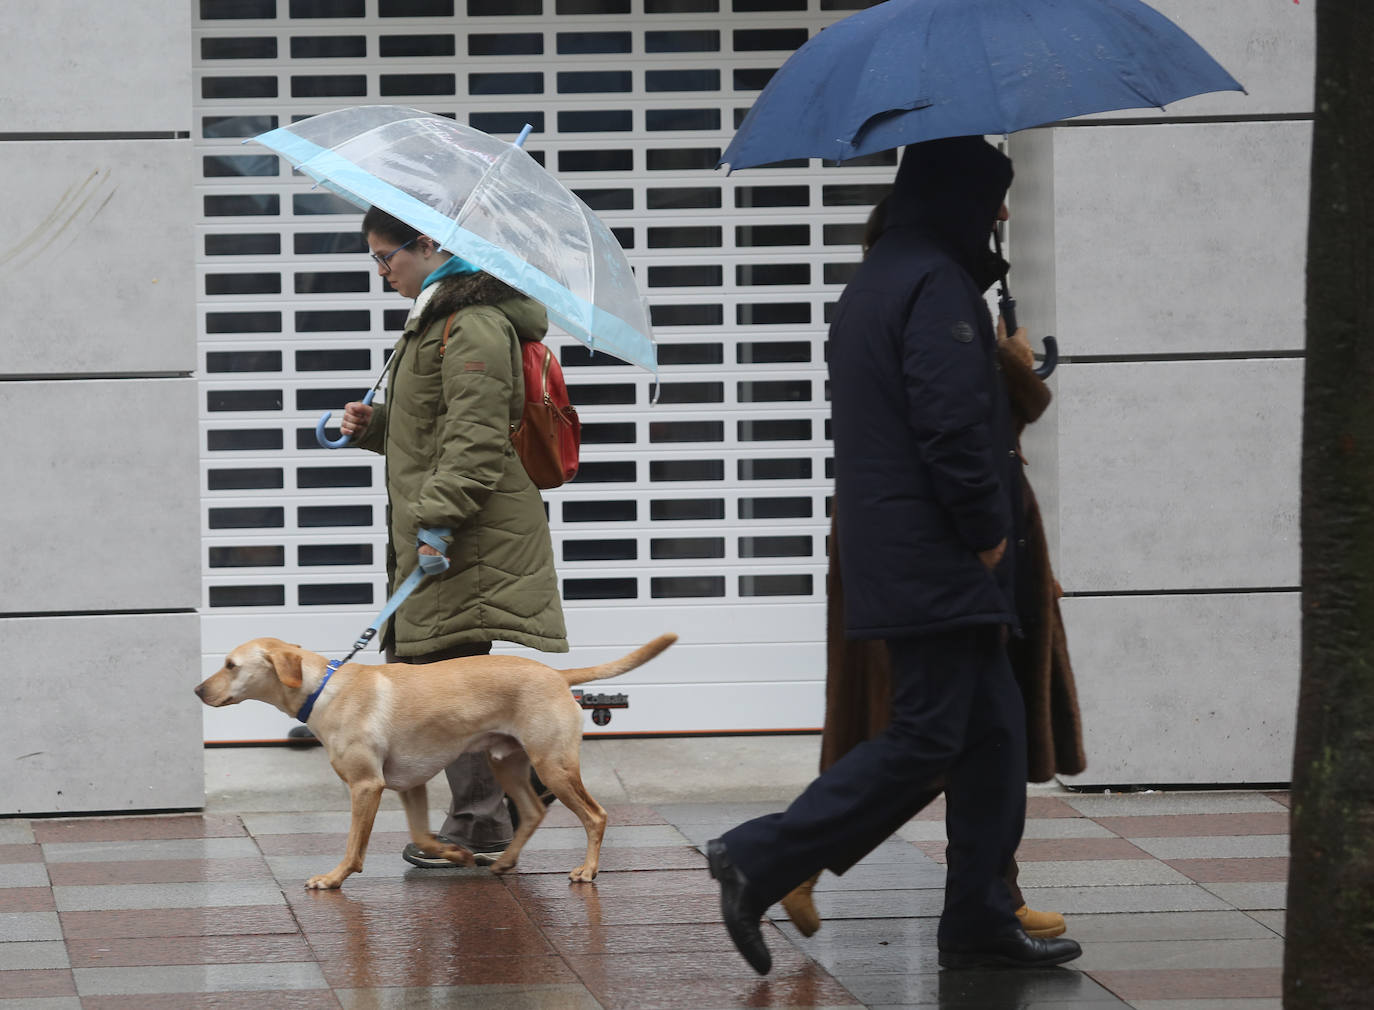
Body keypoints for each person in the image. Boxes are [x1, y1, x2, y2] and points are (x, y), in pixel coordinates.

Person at [706, 136, 1081, 973]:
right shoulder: (934, 283)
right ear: (957, 195)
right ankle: (758, 854)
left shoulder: (889, 274)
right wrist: (986, 530)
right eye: (994, 193)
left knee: (993, 735)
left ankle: (980, 918)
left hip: (902, 541)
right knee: (925, 734)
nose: (1004, 212)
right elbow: (948, 425)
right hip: (935, 549)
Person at [340, 207, 567, 867]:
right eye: (376, 261)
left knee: (443, 682)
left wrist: (435, 520)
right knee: (439, 675)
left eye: (387, 258)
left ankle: (484, 818)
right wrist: (375, 426)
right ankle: (497, 806)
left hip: (466, 537)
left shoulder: (473, 325)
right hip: (445, 527)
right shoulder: (435, 324)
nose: (383, 275)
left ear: (430, 243)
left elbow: (474, 442)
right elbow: (432, 427)